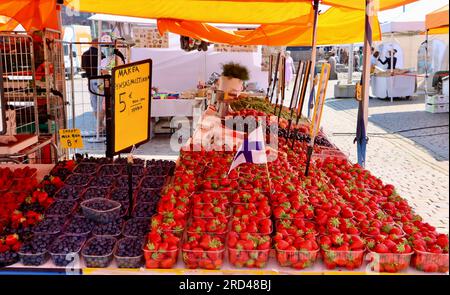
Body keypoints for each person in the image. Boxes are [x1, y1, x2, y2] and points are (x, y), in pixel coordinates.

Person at [81, 38, 106, 133]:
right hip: (100, 80)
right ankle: (100, 125)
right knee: (101, 103)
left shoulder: (85, 54)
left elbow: (83, 67)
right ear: (97, 43)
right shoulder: (101, 54)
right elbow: (105, 68)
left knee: (94, 103)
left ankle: (100, 125)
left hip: (90, 80)